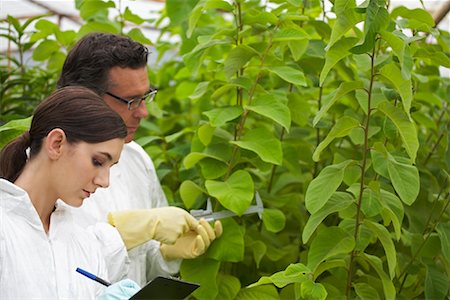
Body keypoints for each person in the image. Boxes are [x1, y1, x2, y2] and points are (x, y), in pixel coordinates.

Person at [57, 32, 222, 286]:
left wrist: (168, 252)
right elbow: (55, 269)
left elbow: (146, 264)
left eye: (145, 97)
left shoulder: (136, 158)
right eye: (132, 101)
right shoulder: (45, 168)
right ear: (85, 97)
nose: (143, 112)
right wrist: (123, 233)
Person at [0, 86, 139, 299]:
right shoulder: (5, 228)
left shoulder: (83, 243)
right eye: (98, 161)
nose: (105, 181)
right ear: (56, 144)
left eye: (111, 167)